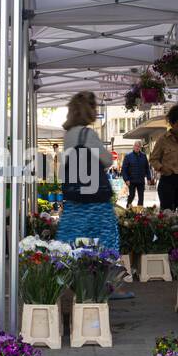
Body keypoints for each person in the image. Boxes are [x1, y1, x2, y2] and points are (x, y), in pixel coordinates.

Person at [56, 92, 121, 251]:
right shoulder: (87, 134)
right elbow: (107, 160)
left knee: (74, 246)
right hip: (95, 203)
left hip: (74, 201)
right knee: (102, 246)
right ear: (87, 110)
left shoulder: (68, 135)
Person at [149, 105, 178, 210]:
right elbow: (153, 159)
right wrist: (162, 168)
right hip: (167, 181)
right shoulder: (163, 140)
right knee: (167, 214)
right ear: (171, 124)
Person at [120, 141, 152, 209]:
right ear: (133, 146)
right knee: (132, 195)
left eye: (139, 146)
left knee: (141, 197)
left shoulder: (143, 156)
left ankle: (139, 212)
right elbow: (124, 170)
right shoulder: (128, 156)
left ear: (140, 147)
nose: (137, 147)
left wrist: (149, 178)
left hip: (141, 180)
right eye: (136, 146)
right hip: (131, 181)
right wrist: (126, 179)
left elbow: (147, 168)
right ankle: (128, 206)